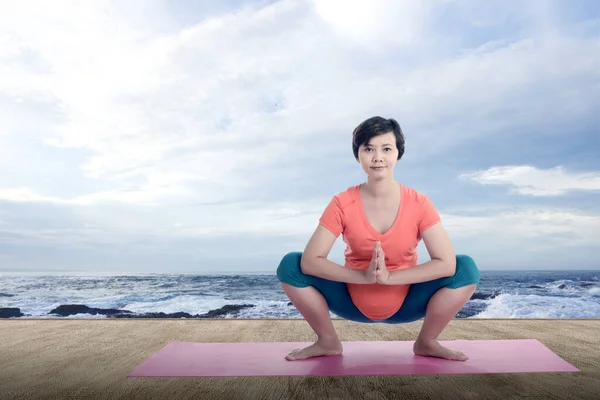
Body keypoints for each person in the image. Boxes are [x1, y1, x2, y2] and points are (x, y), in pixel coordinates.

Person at [276, 116, 480, 362]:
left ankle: (427, 341)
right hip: (350, 301)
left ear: (398, 154)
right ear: (358, 155)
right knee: (291, 264)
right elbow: (310, 262)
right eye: (368, 149)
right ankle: (327, 341)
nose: (377, 157)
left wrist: (390, 278)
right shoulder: (342, 203)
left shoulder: (420, 203)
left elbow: (446, 264)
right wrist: (364, 277)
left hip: (407, 303)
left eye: (386, 149)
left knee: (466, 267)